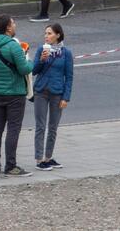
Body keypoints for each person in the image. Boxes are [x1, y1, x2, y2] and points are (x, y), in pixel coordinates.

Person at [0, 15, 34, 177]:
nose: (15, 25)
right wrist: (31, 61)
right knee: (13, 129)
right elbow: (24, 69)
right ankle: (11, 165)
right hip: (15, 93)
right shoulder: (13, 46)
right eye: (13, 23)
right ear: (7, 28)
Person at [31, 24, 73, 172]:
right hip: (41, 91)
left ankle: (48, 157)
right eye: (45, 33)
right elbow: (34, 71)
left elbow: (69, 77)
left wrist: (65, 97)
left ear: (58, 35)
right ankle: (39, 159)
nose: (46, 36)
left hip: (57, 92)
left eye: (49, 33)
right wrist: (42, 60)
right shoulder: (41, 49)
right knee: (40, 126)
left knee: (53, 127)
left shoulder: (66, 53)